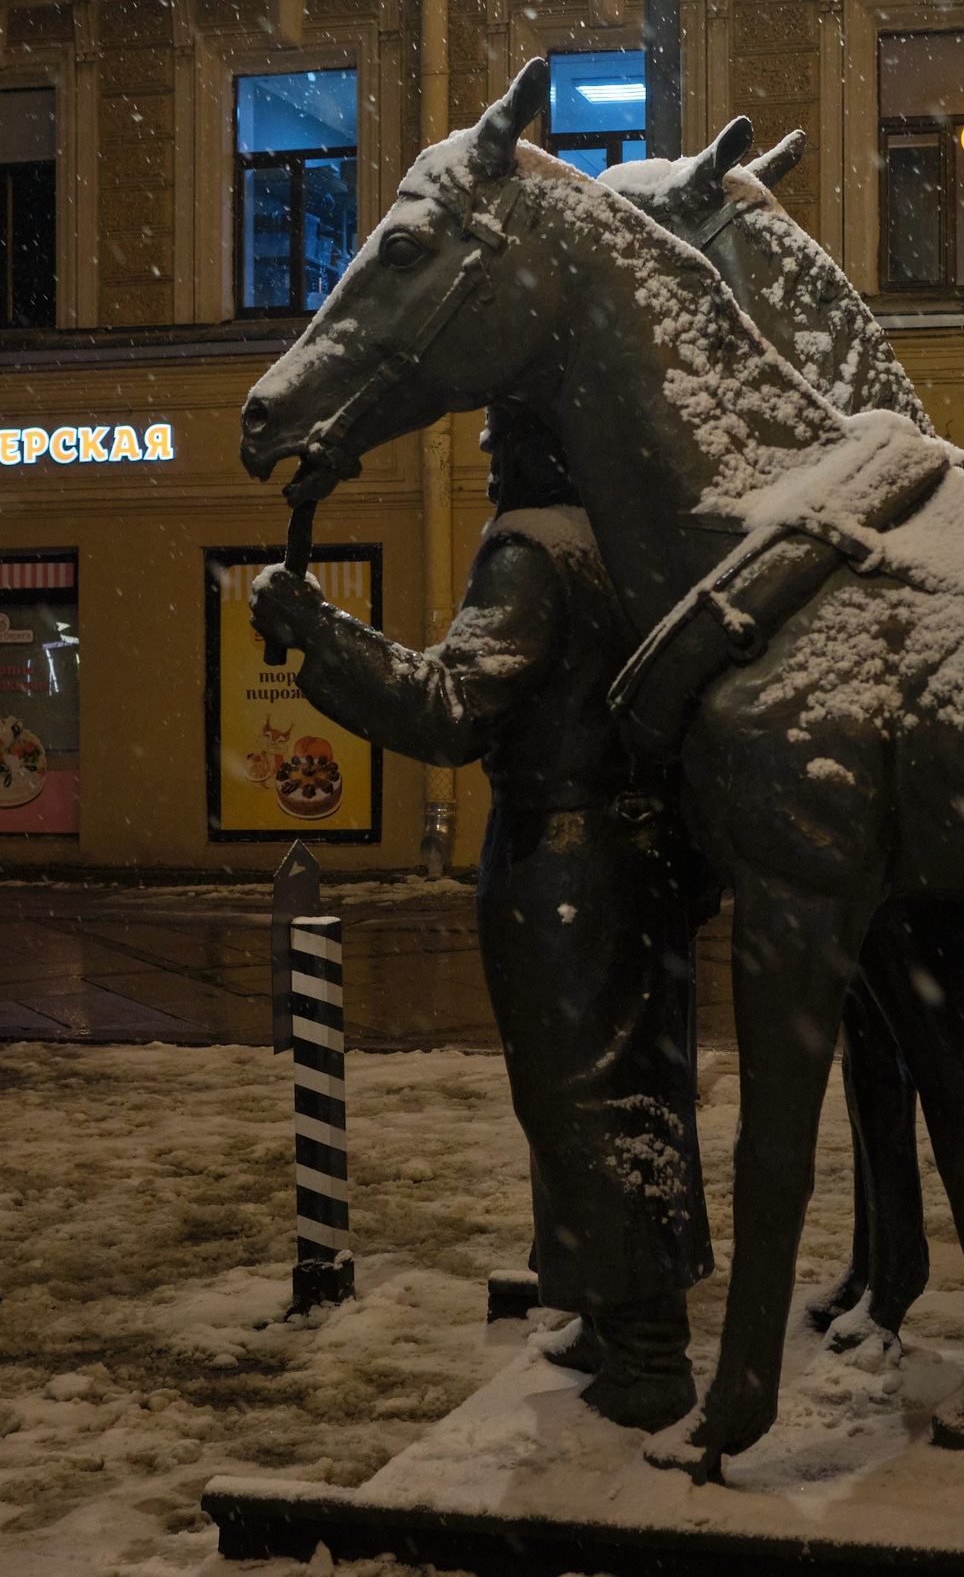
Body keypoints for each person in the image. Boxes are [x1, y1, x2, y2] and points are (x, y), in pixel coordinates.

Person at [249, 416, 712, 1431]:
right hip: (632, 854)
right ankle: (611, 1310)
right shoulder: (622, 535)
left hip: (563, 856)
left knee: (578, 1097)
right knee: (624, 1090)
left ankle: (647, 1348)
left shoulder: (530, 548)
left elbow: (452, 709)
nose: (491, 462)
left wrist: (318, 630)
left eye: (501, 442)